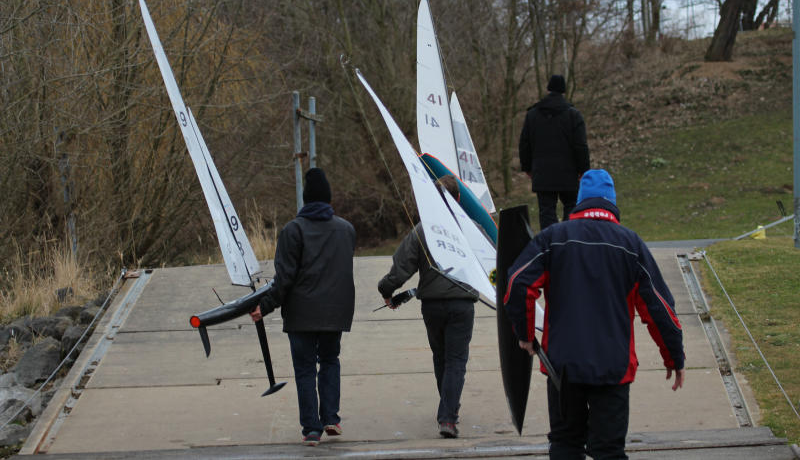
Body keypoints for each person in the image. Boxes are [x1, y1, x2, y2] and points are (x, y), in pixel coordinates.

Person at [503, 169, 685, 459]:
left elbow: (517, 283)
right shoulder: (631, 244)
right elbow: (659, 307)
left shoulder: (553, 238)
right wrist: (673, 357)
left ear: (580, 201)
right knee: (609, 450)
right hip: (613, 366)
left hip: (563, 365)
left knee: (565, 444)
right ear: (612, 202)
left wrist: (524, 335)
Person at [249, 168, 356, 446]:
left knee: (305, 369)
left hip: (301, 314)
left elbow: (284, 278)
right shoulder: (346, 230)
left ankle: (311, 429)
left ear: (305, 199)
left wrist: (265, 305)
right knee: (330, 361)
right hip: (335, 312)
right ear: (328, 198)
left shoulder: (292, 231)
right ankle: (331, 417)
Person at [377, 174, 478, 439]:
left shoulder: (422, 230)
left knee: (441, 357)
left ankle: (447, 410)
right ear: (457, 199)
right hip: (462, 304)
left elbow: (401, 268)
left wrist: (386, 290)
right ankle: (448, 416)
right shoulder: (472, 229)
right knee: (456, 360)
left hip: (432, 306)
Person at [518, 74, 590, 231]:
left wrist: (527, 167)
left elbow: (524, 144)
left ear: (548, 88)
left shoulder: (533, 115)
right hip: (568, 173)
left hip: (542, 174)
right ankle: (569, 241)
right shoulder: (573, 115)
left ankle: (550, 246)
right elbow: (581, 146)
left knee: (547, 212)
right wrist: (583, 170)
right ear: (564, 90)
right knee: (571, 207)